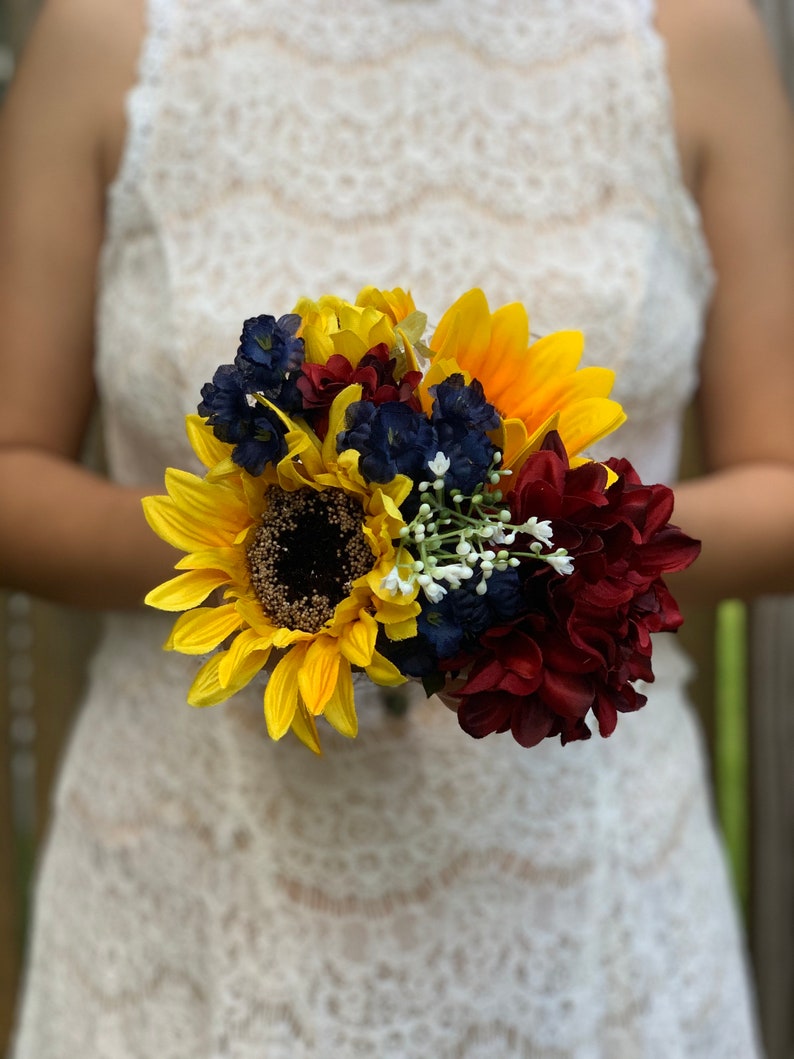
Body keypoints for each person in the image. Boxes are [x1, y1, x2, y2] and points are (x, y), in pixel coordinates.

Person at [2, 0, 792, 1054]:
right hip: (196, 886)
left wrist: (507, 555)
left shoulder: (691, 35)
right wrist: (283, 549)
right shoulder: (110, 32)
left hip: (583, 889)